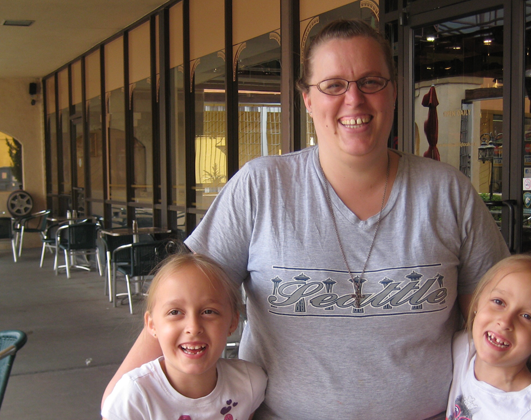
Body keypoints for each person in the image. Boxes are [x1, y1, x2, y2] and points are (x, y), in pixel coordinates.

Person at [104, 19, 509, 419]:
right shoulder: (261, 187)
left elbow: (503, 321)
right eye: (334, 85)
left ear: (393, 91)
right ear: (308, 99)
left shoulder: (447, 193)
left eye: (371, 81)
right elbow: (180, 301)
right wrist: (120, 398)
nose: (354, 99)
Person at [102, 252, 267, 420]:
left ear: (233, 321)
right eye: (175, 312)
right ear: (152, 325)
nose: (193, 327)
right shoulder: (133, 397)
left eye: (208, 311)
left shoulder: (250, 384)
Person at [447, 253, 531, 420]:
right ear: (476, 301)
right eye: (499, 302)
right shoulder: (463, 349)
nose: (505, 321)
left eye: (527, 317)